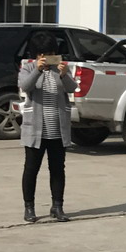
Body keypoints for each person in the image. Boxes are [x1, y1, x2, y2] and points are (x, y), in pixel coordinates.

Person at [18, 32, 76, 223]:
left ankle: (57, 206)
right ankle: (29, 207)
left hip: (58, 130)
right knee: (31, 169)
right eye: (43, 54)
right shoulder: (28, 68)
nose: (48, 58)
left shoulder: (60, 69)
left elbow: (72, 88)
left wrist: (64, 75)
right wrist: (37, 70)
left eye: (51, 54)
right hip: (35, 130)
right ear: (36, 55)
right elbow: (25, 86)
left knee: (58, 169)